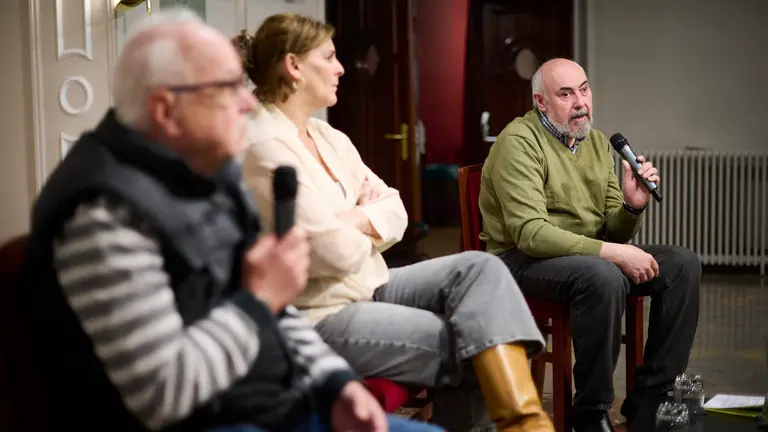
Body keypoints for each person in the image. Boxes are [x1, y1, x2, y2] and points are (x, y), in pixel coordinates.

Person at [18, 8, 441, 432]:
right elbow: (163, 394)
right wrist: (259, 300)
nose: (248, 102)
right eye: (227, 89)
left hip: (272, 402)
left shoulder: (209, 175)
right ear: (166, 110)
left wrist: (336, 383)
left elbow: (279, 314)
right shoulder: (104, 213)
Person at [236, 13, 554, 432]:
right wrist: (365, 225)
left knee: (480, 268)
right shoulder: (262, 145)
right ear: (293, 66)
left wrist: (350, 220)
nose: (341, 68)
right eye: (329, 57)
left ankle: (527, 424)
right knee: (472, 340)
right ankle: (523, 425)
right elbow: (331, 251)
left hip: (368, 284)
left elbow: (396, 209)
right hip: (319, 315)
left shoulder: (328, 136)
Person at [478, 58, 701, 432]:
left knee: (683, 264)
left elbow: (612, 232)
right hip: (519, 260)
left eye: (584, 89)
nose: (580, 102)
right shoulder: (518, 142)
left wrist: (632, 206)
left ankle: (651, 399)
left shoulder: (595, 143)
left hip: (583, 259)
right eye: (565, 94)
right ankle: (591, 412)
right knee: (603, 275)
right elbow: (531, 234)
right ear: (541, 102)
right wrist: (613, 254)